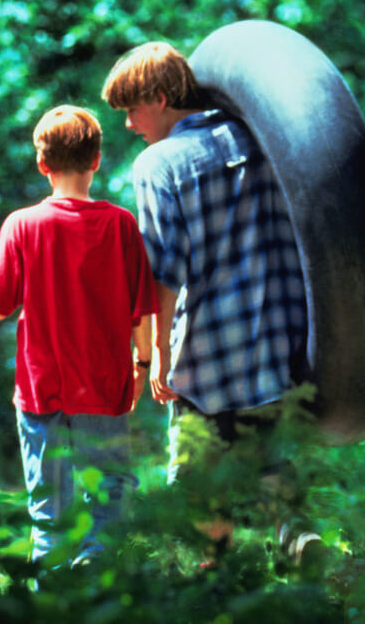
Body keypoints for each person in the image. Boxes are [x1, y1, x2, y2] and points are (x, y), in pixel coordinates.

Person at [101, 42, 315, 560]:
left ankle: (209, 584)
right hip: (277, 339)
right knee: (265, 457)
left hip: (208, 351)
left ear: (159, 96)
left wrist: (157, 358)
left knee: (198, 482)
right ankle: (299, 536)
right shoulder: (259, 138)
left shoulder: (158, 164)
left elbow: (165, 270)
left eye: (132, 110)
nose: (129, 125)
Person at [0, 105, 159, 566]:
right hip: (104, 389)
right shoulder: (121, 225)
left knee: (49, 513)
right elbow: (141, 311)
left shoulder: (22, 225)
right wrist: (143, 366)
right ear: (97, 160)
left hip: (42, 392)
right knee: (111, 499)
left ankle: (54, 601)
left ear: (42, 164)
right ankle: (95, 582)